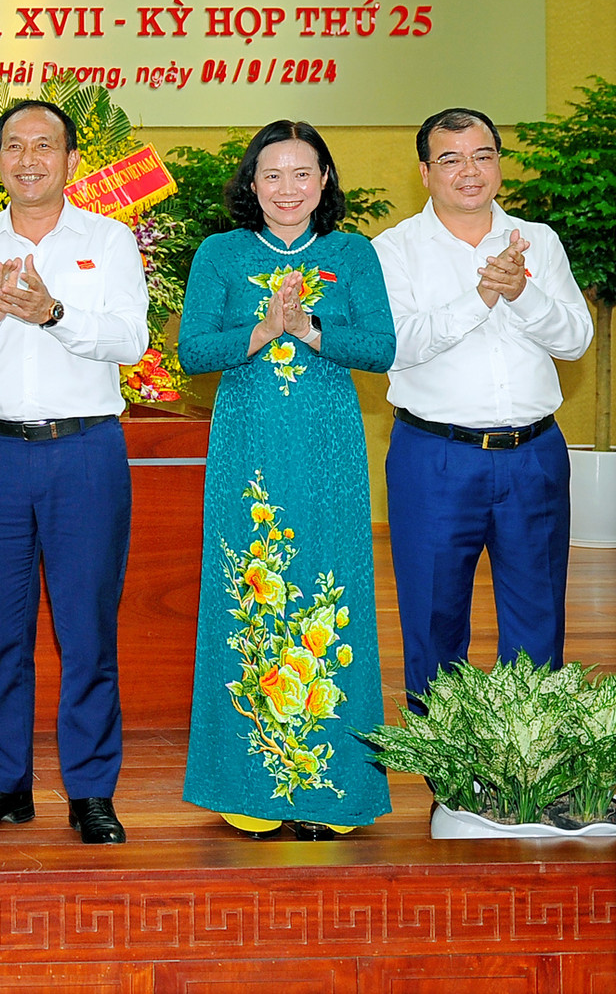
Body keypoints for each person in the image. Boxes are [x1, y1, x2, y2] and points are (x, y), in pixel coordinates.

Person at [0, 99, 147, 846]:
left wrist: (53, 312)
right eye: (14, 146)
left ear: (71, 160)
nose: (29, 159)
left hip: (83, 451)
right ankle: (5, 781)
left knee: (87, 629)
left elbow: (130, 337)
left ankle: (90, 789)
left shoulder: (109, 240)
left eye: (44, 146)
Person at [178, 120, 396, 840]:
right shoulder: (220, 253)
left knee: (333, 597)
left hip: (330, 450)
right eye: (272, 175)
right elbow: (192, 352)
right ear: (251, 183)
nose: (287, 189)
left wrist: (309, 329)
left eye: (303, 173)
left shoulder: (352, 252)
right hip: (249, 453)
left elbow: (382, 346)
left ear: (325, 181)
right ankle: (250, 785)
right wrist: (264, 328)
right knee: (251, 592)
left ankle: (334, 789)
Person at [374, 108, 591, 713]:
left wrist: (523, 292)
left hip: (535, 456)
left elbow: (575, 338)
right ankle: (448, 767)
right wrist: (483, 295)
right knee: (434, 616)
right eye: (450, 158)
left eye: (483, 156)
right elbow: (399, 344)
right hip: (435, 456)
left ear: (498, 164)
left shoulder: (538, 241)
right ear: (424, 172)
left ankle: (531, 765)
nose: (469, 171)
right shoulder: (393, 250)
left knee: (538, 616)